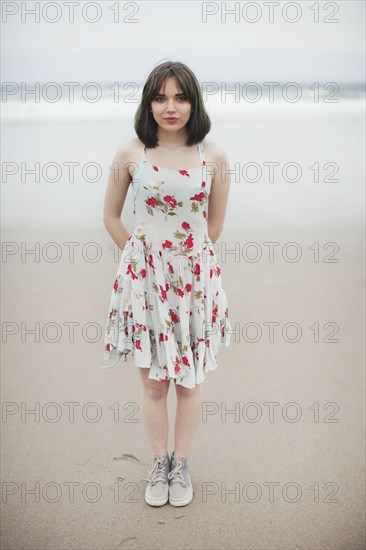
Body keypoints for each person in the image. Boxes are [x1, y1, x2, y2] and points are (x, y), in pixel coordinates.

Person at [99, 61, 232, 507]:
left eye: (180, 97)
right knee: (155, 383)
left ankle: (182, 463)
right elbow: (112, 217)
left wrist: (187, 263)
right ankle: (160, 464)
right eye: (160, 97)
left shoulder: (213, 156)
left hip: (194, 282)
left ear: (193, 101)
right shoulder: (130, 153)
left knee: (190, 382)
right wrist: (140, 260)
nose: (170, 107)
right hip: (145, 283)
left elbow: (213, 225)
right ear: (148, 102)